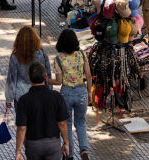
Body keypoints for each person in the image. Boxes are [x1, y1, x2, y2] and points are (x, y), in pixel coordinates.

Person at [47, 29, 92, 160]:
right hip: (81, 91)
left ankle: (69, 153)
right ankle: (84, 149)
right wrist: (89, 92)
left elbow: (59, 81)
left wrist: (46, 80)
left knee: (66, 124)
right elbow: (88, 75)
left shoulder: (58, 59)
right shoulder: (82, 55)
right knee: (80, 123)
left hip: (66, 93)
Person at [15, 62, 70, 160]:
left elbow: (21, 128)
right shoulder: (56, 96)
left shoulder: (23, 100)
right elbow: (62, 123)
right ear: (45, 76)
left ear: (28, 77)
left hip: (33, 146)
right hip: (53, 144)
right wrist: (66, 142)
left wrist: (18, 151)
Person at [5, 26, 52, 111]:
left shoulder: (15, 56)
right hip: (40, 94)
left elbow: (12, 79)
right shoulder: (42, 53)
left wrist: (9, 98)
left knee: (22, 122)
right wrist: (49, 90)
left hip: (21, 96)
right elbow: (47, 73)